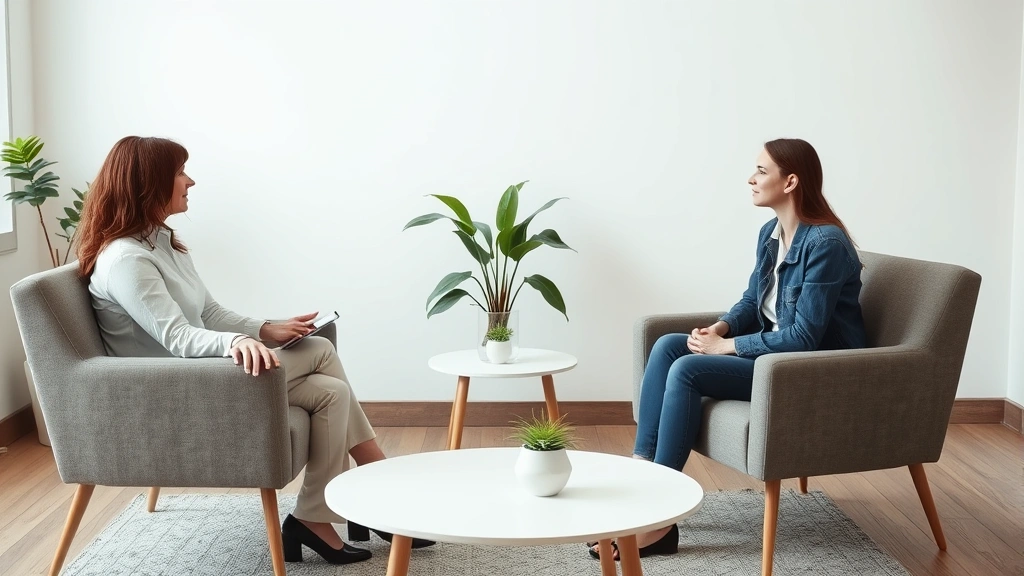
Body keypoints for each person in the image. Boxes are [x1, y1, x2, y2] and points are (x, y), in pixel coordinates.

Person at [76, 136, 434, 565]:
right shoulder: (127, 261)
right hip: (173, 389)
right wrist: (238, 341)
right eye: (179, 173)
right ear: (148, 183)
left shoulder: (160, 242)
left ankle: (313, 518)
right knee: (319, 349)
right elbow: (179, 337)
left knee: (331, 394)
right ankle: (378, 486)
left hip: (202, 375)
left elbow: (207, 311)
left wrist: (266, 328)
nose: (190, 181)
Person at [592, 138, 867, 561]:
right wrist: (719, 328)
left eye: (761, 171)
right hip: (774, 359)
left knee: (687, 370)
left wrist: (727, 347)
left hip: (810, 370)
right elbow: (752, 300)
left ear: (790, 181)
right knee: (669, 345)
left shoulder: (825, 244)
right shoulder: (772, 235)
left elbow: (803, 338)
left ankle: (658, 519)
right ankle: (642, 483)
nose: (751, 178)